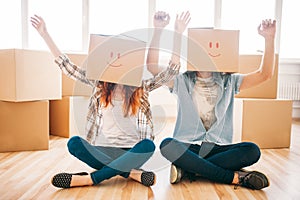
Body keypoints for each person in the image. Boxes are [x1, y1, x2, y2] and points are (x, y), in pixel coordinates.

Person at [30, 12, 190, 189]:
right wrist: (44, 34)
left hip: (133, 151)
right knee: (74, 143)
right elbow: (67, 67)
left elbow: (170, 71)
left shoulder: (140, 87)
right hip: (103, 150)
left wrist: (175, 33)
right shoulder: (99, 85)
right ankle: (131, 173)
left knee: (148, 146)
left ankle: (90, 179)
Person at [147, 13, 276, 190]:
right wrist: (162, 30)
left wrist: (269, 39)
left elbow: (265, 75)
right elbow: (152, 67)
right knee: (167, 145)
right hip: (189, 146)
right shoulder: (181, 81)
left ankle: (190, 169)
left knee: (252, 150)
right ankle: (233, 177)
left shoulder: (230, 82)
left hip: (218, 147)